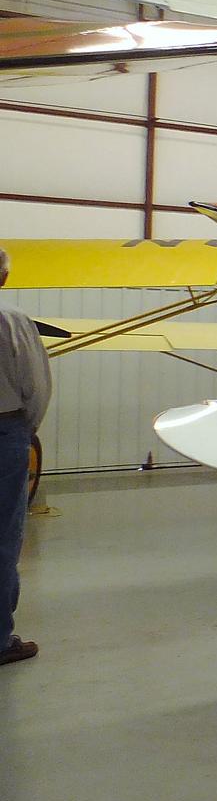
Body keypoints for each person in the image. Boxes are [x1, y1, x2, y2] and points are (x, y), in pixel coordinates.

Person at [0, 245, 50, 666]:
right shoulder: (13, 320)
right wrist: (24, 429)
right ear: (3, 278)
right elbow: (36, 385)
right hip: (4, 429)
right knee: (3, 535)